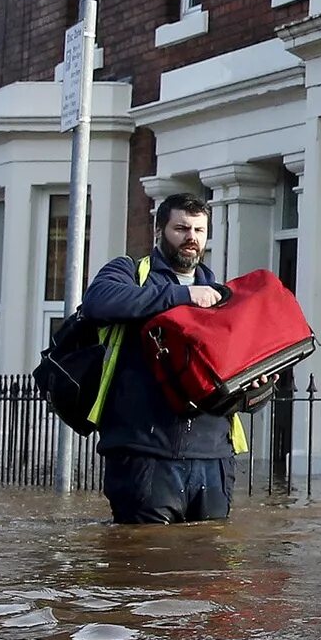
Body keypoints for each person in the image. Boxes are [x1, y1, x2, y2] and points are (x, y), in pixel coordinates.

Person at [80, 192, 247, 525]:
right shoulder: (130, 272)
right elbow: (98, 302)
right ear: (160, 230)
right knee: (147, 565)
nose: (191, 238)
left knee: (208, 565)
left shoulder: (221, 294)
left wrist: (256, 388)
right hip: (144, 452)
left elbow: (232, 373)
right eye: (182, 228)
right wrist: (182, 295)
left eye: (200, 231)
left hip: (212, 456)